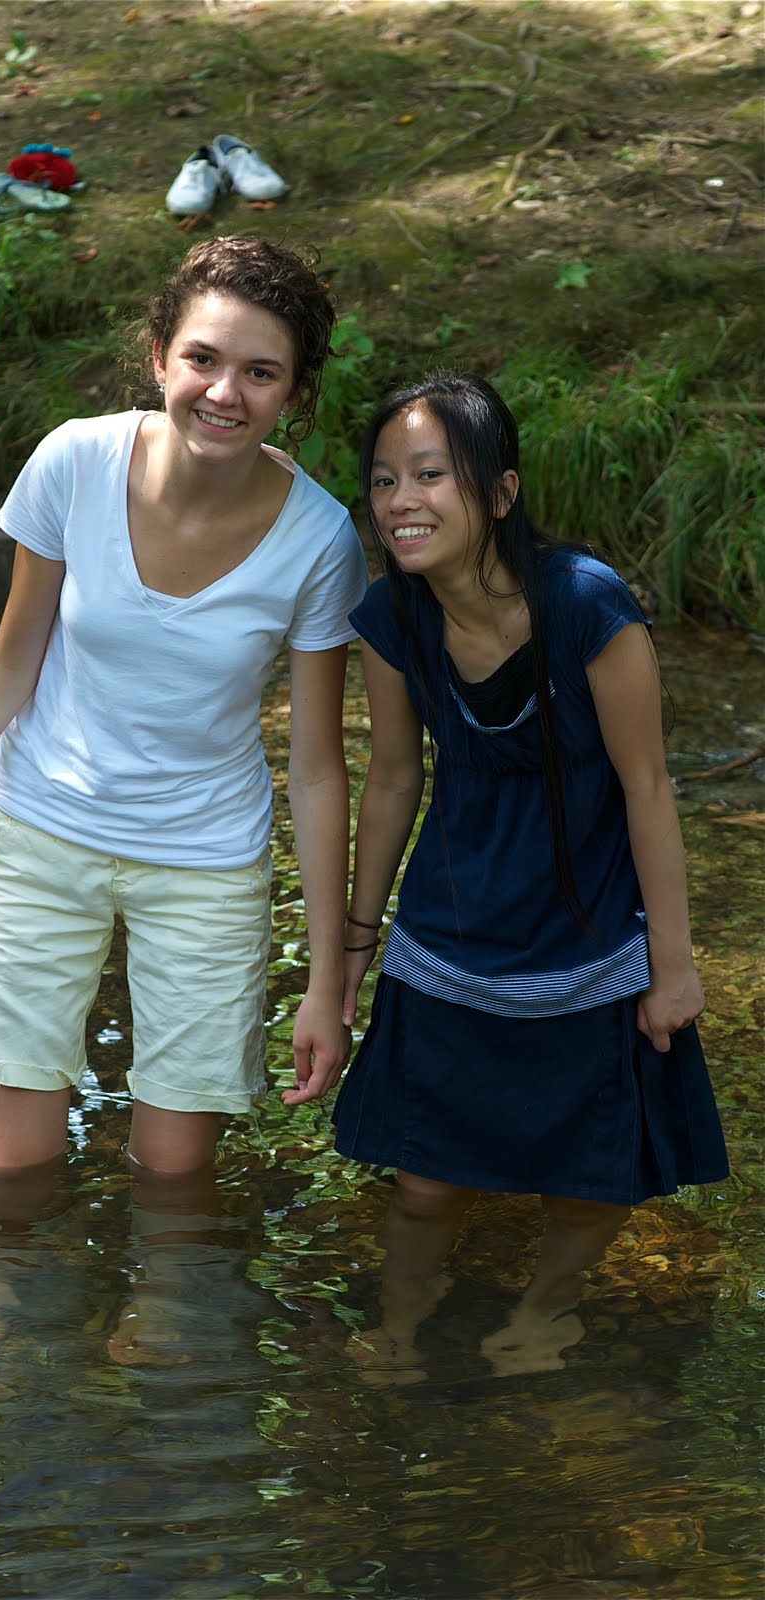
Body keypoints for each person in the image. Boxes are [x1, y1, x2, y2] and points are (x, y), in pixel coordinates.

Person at [0, 235, 368, 1187]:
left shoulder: (320, 539)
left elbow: (315, 768)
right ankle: (16, 1336)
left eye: (261, 373)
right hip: (42, 834)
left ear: (294, 395)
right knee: (12, 1181)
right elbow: (9, 662)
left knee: (174, 1187)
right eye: (204, 359)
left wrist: (324, 983)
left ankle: (167, 1341)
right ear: (160, 359)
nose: (225, 392)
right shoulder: (75, 461)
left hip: (207, 864)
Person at [334, 372, 728, 1377]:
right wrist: (351, 943)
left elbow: (646, 787)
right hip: (446, 934)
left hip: (587, 932)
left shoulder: (588, 607)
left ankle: (546, 1308)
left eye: (430, 475)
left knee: (586, 1173)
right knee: (423, 1179)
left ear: (499, 492)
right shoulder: (390, 615)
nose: (400, 501)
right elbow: (388, 776)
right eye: (383, 481)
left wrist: (670, 967)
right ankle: (400, 1322)